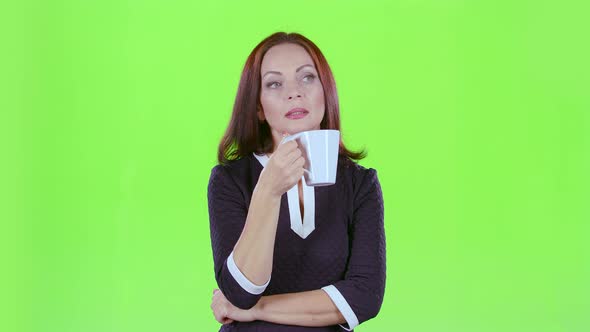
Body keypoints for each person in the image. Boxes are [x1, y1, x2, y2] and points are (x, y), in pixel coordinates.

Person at [207, 32, 386, 331]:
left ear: (325, 93)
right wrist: (267, 190)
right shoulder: (230, 181)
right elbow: (240, 291)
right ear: (258, 108)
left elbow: (364, 297)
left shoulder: (360, 184)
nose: (294, 92)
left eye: (307, 78)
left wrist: (256, 310)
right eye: (275, 83)